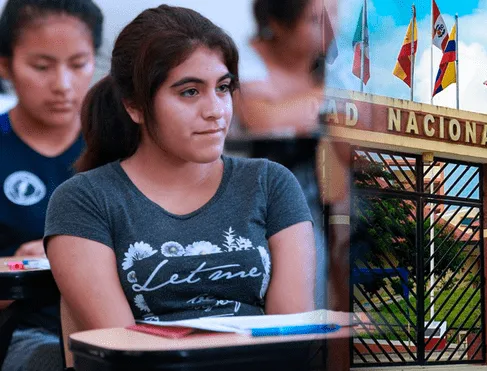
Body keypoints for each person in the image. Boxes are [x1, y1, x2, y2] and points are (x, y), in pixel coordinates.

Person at [44, 4, 315, 335]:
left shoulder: (272, 184)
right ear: (135, 105)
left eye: (223, 87)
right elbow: (122, 350)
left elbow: (291, 337)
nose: (215, 111)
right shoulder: (85, 200)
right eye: (190, 92)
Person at [0, 0, 103, 370]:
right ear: (5, 64)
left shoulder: (123, 146)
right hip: (28, 330)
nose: (62, 84)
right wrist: (16, 266)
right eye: (41, 66)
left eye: (78, 65)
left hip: (126, 324)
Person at [233, 0, 333, 309]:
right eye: (315, 20)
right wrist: (334, 95)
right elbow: (263, 119)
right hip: (253, 197)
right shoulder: (243, 59)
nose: (330, 29)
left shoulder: (333, 65)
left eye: (333, 16)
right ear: (277, 24)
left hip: (328, 192)